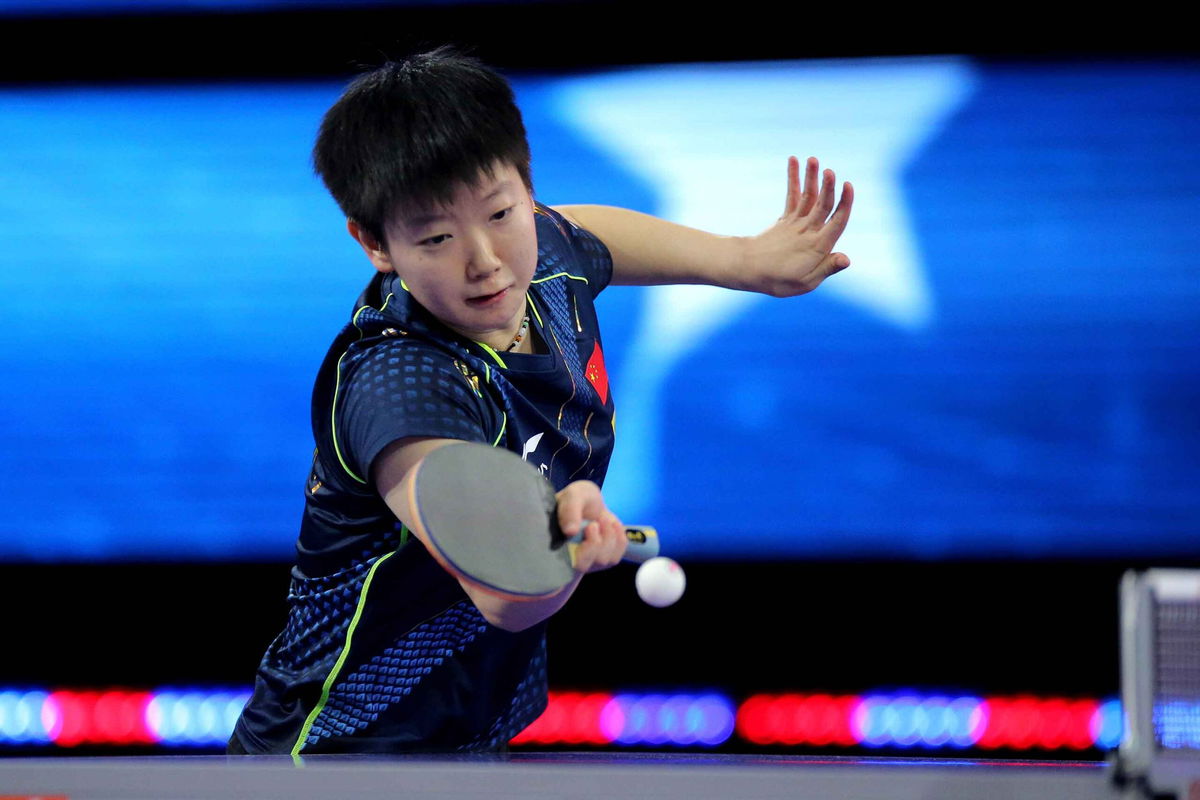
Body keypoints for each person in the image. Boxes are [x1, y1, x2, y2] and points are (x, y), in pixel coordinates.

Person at [229, 46, 853, 755]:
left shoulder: (539, 252)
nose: (484, 259)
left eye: (500, 211)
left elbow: (585, 234)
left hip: (467, 733)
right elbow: (506, 596)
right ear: (375, 244)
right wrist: (564, 553)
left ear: (527, 190)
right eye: (435, 236)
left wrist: (742, 260)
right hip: (333, 760)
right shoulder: (399, 382)